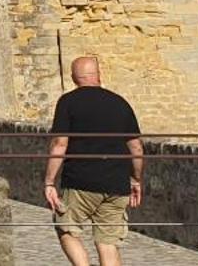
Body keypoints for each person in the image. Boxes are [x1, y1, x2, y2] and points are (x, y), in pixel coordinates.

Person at [44, 56, 143, 266]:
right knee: (108, 243)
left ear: (73, 78)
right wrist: (135, 179)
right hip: (117, 183)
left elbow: (60, 144)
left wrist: (49, 182)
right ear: (99, 75)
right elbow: (136, 147)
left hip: (81, 181)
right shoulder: (120, 102)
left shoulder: (68, 101)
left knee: (66, 228)